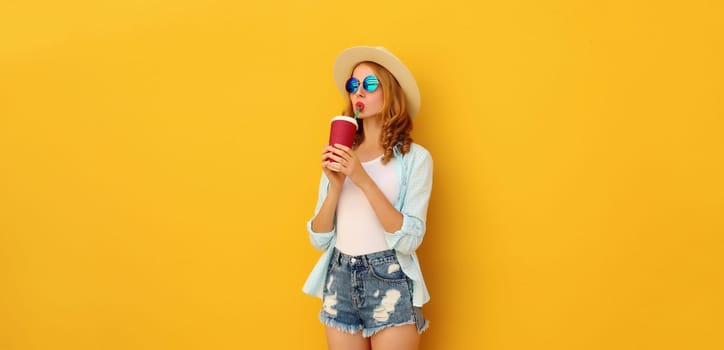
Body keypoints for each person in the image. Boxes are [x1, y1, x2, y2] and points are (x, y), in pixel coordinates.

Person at [303, 46, 433, 350]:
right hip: (339, 277)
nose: (358, 91)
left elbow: (410, 238)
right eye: (353, 85)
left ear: (390, 91)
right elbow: (319, 238)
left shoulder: (415, 159)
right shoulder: (341, 154)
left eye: (369, 84)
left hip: (388, 278)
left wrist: (361, 178)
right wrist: (335, 185)